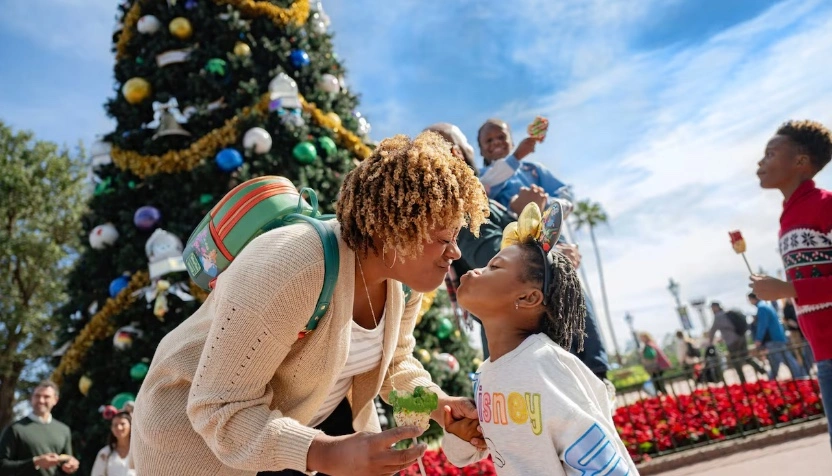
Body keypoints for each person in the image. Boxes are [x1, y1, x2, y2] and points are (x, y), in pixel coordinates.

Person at [130, 132, 490, 475]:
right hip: (200, 448)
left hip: (303, 434)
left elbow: (395, 362)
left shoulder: (403, 284)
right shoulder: (291, 265)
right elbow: (218, 405)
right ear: (391, 230)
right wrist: (325, 453)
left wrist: (438, 406)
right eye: (444, 238)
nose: (455, 253)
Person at [440, 203, 638, 475]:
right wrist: (460, 436)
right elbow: (473, 452)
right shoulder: (487, 372)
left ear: (528, 297)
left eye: (493, 267)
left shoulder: (548, 365)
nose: (475, 270)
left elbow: (599, 459)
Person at [425, 123, 610, 381]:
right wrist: (551, 251)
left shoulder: (496, 193)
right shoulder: (466, 208)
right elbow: (503, 266)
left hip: (555, 353)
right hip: (534, 360)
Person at [749, 119, 832, 446]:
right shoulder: (788, 218)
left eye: (770, 153)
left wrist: (785, 289)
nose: (760, 162)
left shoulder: (825, 205)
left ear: (800, 162)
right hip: (824, 354)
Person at [477, 118, 568, 215]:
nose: (496, 142)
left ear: (512, 142)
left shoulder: (533, 169)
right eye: (489, 140)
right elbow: (482, 189)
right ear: (481, 151)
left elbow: (566, 195)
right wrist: (516, 157)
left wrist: (544, 203)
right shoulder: (479, 176)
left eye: (501, 137)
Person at [0, 381, 80, 475]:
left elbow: (67, 461)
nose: (41, 400)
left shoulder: (64, 430)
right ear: (32, 398)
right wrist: (35, 462)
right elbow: (2, 466)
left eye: (46, 397)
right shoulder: (15, 429)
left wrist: (71, 466)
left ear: (55, 400)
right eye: (37, 396)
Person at [748, 293, 807, 380]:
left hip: (773, 338)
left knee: (778, 360)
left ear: (753, 299)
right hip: (777, 337)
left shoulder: (762, 308)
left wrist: (758, 339)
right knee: (784, 358)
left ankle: (798, 376)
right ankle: (800, 375)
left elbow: (762, 325)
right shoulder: (765, 306)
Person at [707, 302, 765, 383]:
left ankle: (742, 380)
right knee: (746, 356)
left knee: (735, 361)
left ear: (715, 307)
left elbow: (712, 331)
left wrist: (710, 343)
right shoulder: (728, 313)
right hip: (741, 337)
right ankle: (760, 369)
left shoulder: (718, 316)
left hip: (732, 341)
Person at [90, 412, 135, 476]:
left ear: (131, 425)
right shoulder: (105, 453)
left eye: (122, 424)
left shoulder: (140, 452)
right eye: (115, 425)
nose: (119, 428)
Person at [782, 298, 814, 370]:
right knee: (798, 351)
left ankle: (807, 367)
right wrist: (791, 322)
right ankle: (802, 368)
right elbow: (786, 319)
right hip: (794, 332)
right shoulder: (786, 308)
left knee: (807, 350)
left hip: (802, 331)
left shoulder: (796, 304)